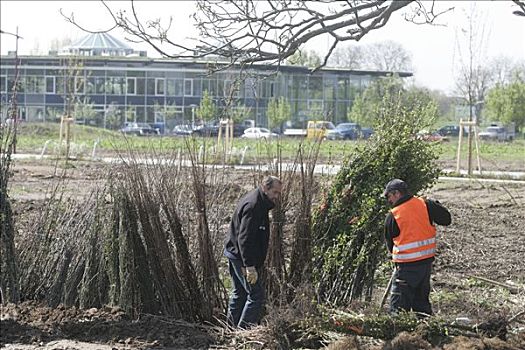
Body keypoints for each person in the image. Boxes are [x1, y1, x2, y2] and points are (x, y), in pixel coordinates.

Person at [383, 178, 451, 317]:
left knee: (399, 310)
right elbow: (446, 219)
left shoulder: (393, 215)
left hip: (405, 269)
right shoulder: (425, 205)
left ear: (397, 194)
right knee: (421, 305)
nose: (388, 201)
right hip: (425, 265)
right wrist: (434, 204)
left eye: (388, 196)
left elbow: (390, 246)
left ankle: (398, 336)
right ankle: (425, 333)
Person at [224, 175, 282, 329]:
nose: (276, 197)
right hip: (241, 258)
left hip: (236, 254)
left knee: (240, 294)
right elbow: (244, 239)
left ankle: (229, 329)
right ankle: (242, 333)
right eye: (275, 192)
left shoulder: (260, 202)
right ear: (265, 188)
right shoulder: (253, 206)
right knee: (256, 295)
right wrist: (249, 266)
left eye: (278, 193)